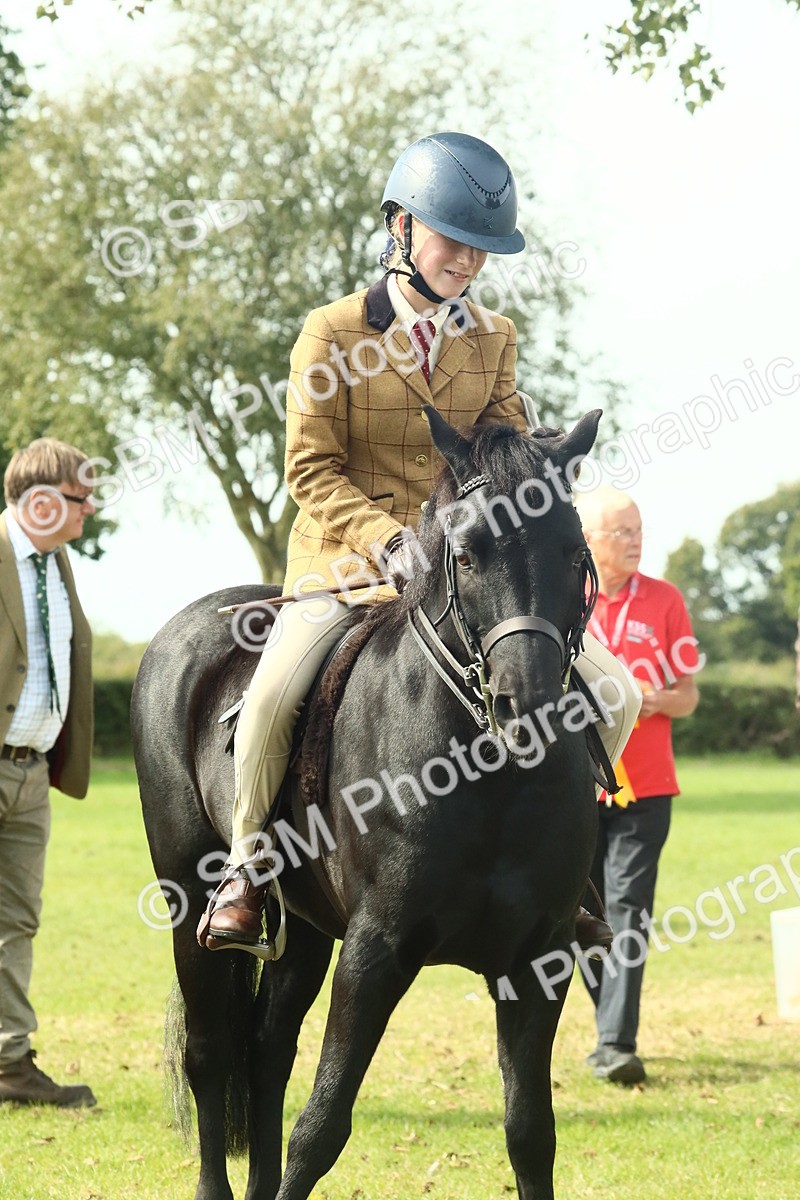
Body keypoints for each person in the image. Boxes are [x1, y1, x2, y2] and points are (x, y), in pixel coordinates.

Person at [197, 132, 641, 952]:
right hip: (344, 561)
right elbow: (310, 469)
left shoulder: (492, 336)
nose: (470, 262)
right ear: (400, 227)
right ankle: (248, 866)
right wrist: (387, 540)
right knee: (267, 698)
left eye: (483, 249)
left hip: (464, 573)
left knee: (617, 694)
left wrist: (539, 462)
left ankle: (565, 872)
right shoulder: (330, 334)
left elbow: (503, 454)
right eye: (454, 241)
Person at [575, 486, 700, 1085]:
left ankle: (616, 1044)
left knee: (630, 911)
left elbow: (688, 695)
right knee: (581, 915)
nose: (635, 540)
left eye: (639, 529)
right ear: (590, 542)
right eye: (621, 532)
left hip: (647, 790)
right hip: (576, 791)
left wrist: (645, 698)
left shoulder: (666, 600)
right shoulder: (567, 598)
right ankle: (610, 1031)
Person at [0, 439, 96, 1107]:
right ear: (40, 499)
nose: (89, 511)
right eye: (80, 499)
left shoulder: (55, 563)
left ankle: (9, 1062)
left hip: (30, 773)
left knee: (16, 921)